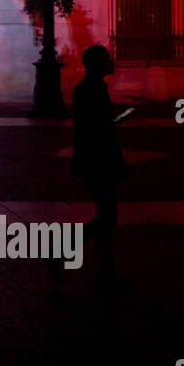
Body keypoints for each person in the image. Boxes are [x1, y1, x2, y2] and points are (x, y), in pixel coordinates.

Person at [64, 44, 128, 296]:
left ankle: (106, 272)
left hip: (90, 161)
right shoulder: (95, 91)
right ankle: (64, 253)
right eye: (106, 59)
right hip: (98, 162)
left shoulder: (84, 89)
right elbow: (103, 130)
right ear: (97, 64)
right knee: (107, 217)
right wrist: (122, 118)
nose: (110, 62)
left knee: (106, 217)